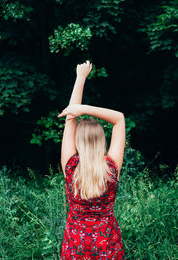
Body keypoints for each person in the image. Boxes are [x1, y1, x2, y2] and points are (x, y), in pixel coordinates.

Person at [58, 60, 126, 259]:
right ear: (101, 141)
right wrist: (85, 108)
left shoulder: (70, 167)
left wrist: (80, 78)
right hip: (108, 245)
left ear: (78, 142)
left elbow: (70, 119)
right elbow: (119, 118)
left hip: (75, 246)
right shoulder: (111, 169)